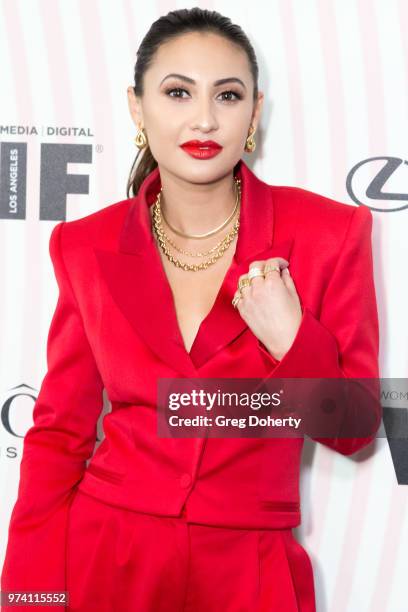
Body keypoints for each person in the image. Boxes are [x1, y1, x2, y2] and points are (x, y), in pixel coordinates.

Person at [0, 7, 382, 612]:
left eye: (227, 95)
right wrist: (31, 596)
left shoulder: (329, 234)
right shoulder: (85, 246)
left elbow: (356, 426)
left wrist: (292, 337)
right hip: (107, 555)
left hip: (251, 572)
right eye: (178, 92)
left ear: (254, 112)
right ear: (136, 106)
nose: (204, 118)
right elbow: (58, 435)